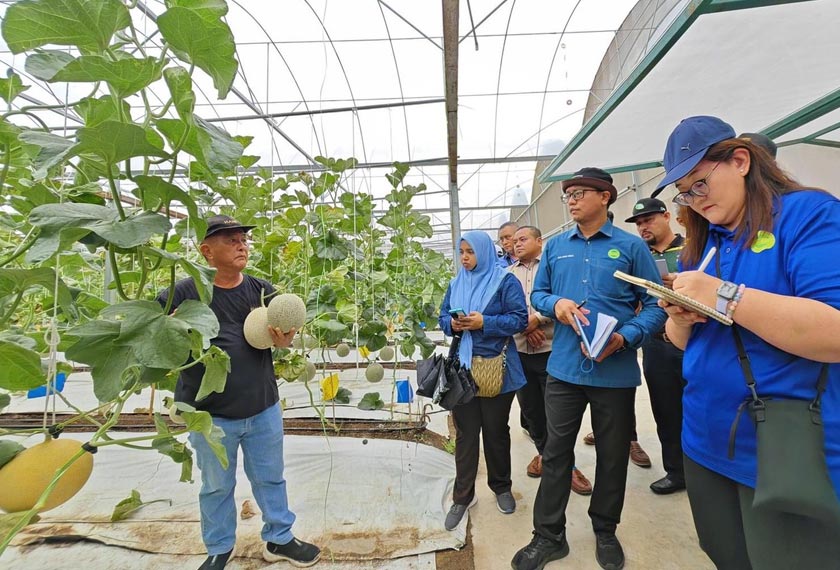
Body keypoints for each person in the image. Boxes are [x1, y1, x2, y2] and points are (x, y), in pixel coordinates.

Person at [650, 115, 840, 569]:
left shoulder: (808, 215)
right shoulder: (703, 242)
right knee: (725, 554)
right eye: (684, 193)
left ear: (739, 161)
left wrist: (722, 294)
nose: (694, 201)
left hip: (781, 445)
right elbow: (680, 344)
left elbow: (833, 333)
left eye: (700, 184)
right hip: (703, 437)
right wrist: (680, 316)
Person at [511, 168, 666, 570]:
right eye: (569, 195)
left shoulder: (632, 248)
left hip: (613, 371)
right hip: (563, 368)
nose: (572, 200)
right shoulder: (557, 247)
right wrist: (555, 305)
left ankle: (605, 529)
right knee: (556, 452)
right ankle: (547, 536)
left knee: (613, 455)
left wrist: (626, 336)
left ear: (606, 197)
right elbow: (541, 293)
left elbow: (655, 305)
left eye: (580, 193)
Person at [158, 215, 321, 570]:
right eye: (230, 240)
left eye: (243, 239)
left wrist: (286, 340)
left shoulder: (262, 291)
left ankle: (280, 539)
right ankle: (219, 547)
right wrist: (167, 327)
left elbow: (285, 332)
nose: (241, 245)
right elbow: (155, 336)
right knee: (216, 486)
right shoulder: (183, 293)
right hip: (210, 414)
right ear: (206, 251)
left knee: (270, 478)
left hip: (262, 406)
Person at [438, 230, 528, 531]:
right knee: (465, 434)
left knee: (496, 432)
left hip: (496, 369)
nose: (464, 258)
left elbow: (519, 319)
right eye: (461, 252)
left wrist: (484, 322)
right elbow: (441, 318)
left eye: (470, 252)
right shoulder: (455, 284)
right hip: (463, 369)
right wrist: (452, 323)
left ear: (484, 253)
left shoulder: (505, 281)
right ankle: (462, 496)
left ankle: (501, 487)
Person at [509, 226, 592, 495]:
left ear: (538, 240)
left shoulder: (554, 267)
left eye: (523, 239)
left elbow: (569, 301)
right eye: (513, 241)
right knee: (532, 412)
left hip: (552, 351)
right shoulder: (507, 274)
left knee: (557, 414)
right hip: (520, 352)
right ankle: (546, 456)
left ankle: (567, 467)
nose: (517, 244)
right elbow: (504, 308)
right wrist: (526, 326)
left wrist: (539, 320)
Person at [624, 197, 687, 494]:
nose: (643, 227)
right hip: (656, 344)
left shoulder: (691, 249)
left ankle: (708, 475)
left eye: (648, 220)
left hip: (693, 342)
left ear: (666, 216)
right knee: (666, 409)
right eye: (638, 223)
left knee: (699, 409)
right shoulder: (639, 256)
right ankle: (676, 471)